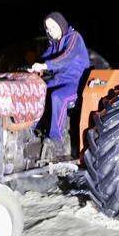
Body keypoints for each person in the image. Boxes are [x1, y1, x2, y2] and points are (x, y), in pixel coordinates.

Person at [30, 11, 90, 142]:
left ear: (61, 24)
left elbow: (66, 57)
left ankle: (56, 139)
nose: (50, 31)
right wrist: (31, 67)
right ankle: (29, 129)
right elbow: (44, 58)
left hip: (77, 83)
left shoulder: (74, 38)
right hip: (59, 80)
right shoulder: (54, 44)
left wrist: (45, 66)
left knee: (57, 96)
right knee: (37, 91)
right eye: (48, 28)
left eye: (53, 27)